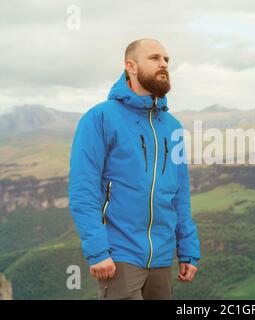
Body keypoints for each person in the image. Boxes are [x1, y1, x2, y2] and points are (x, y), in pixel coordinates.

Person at [68, 38, 200, 300]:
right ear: (130, 66)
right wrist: (98, 251)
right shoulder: (101, 117)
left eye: (166, 59)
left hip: (162, 257)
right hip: (119, 255)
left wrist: (188, 249)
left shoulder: (172, 126)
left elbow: (180, 195)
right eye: (154, 58)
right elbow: (83, 190)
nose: (163, 64)